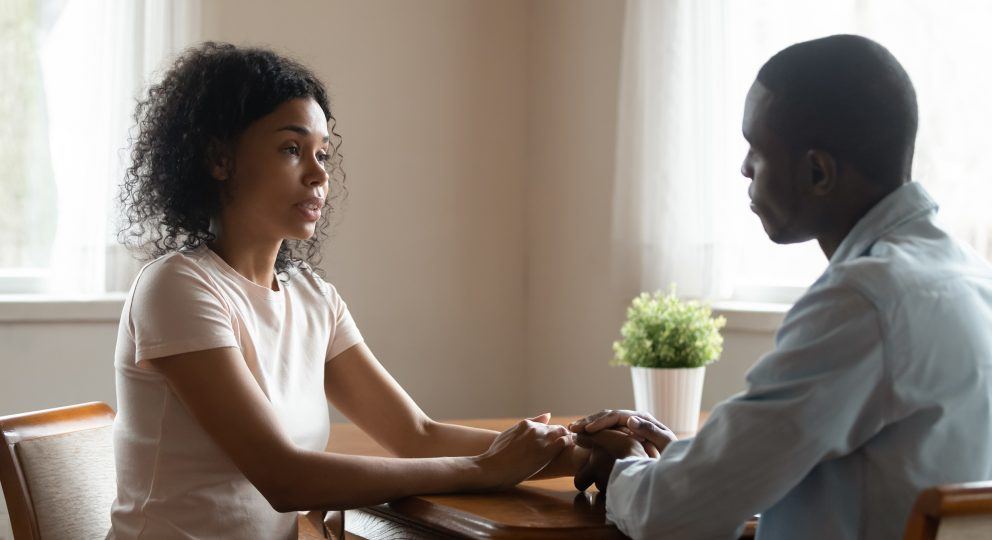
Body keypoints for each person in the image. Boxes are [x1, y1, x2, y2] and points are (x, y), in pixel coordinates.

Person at [109, 42, 583, 539]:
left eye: (322, 154)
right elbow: (285, 478)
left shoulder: (312, 297)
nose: (319, 175)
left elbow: (417, 435)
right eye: (291, 149)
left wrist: (581, 450)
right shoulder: (177, 288)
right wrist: (485, 470)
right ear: (218, 158)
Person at [569, 34, 992, 539]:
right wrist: (689, 458)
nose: (744, 167)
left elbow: (672, 516)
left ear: (817, 171)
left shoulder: (863, 302)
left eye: (757, 148)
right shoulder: (971, 277)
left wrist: (627, 469)